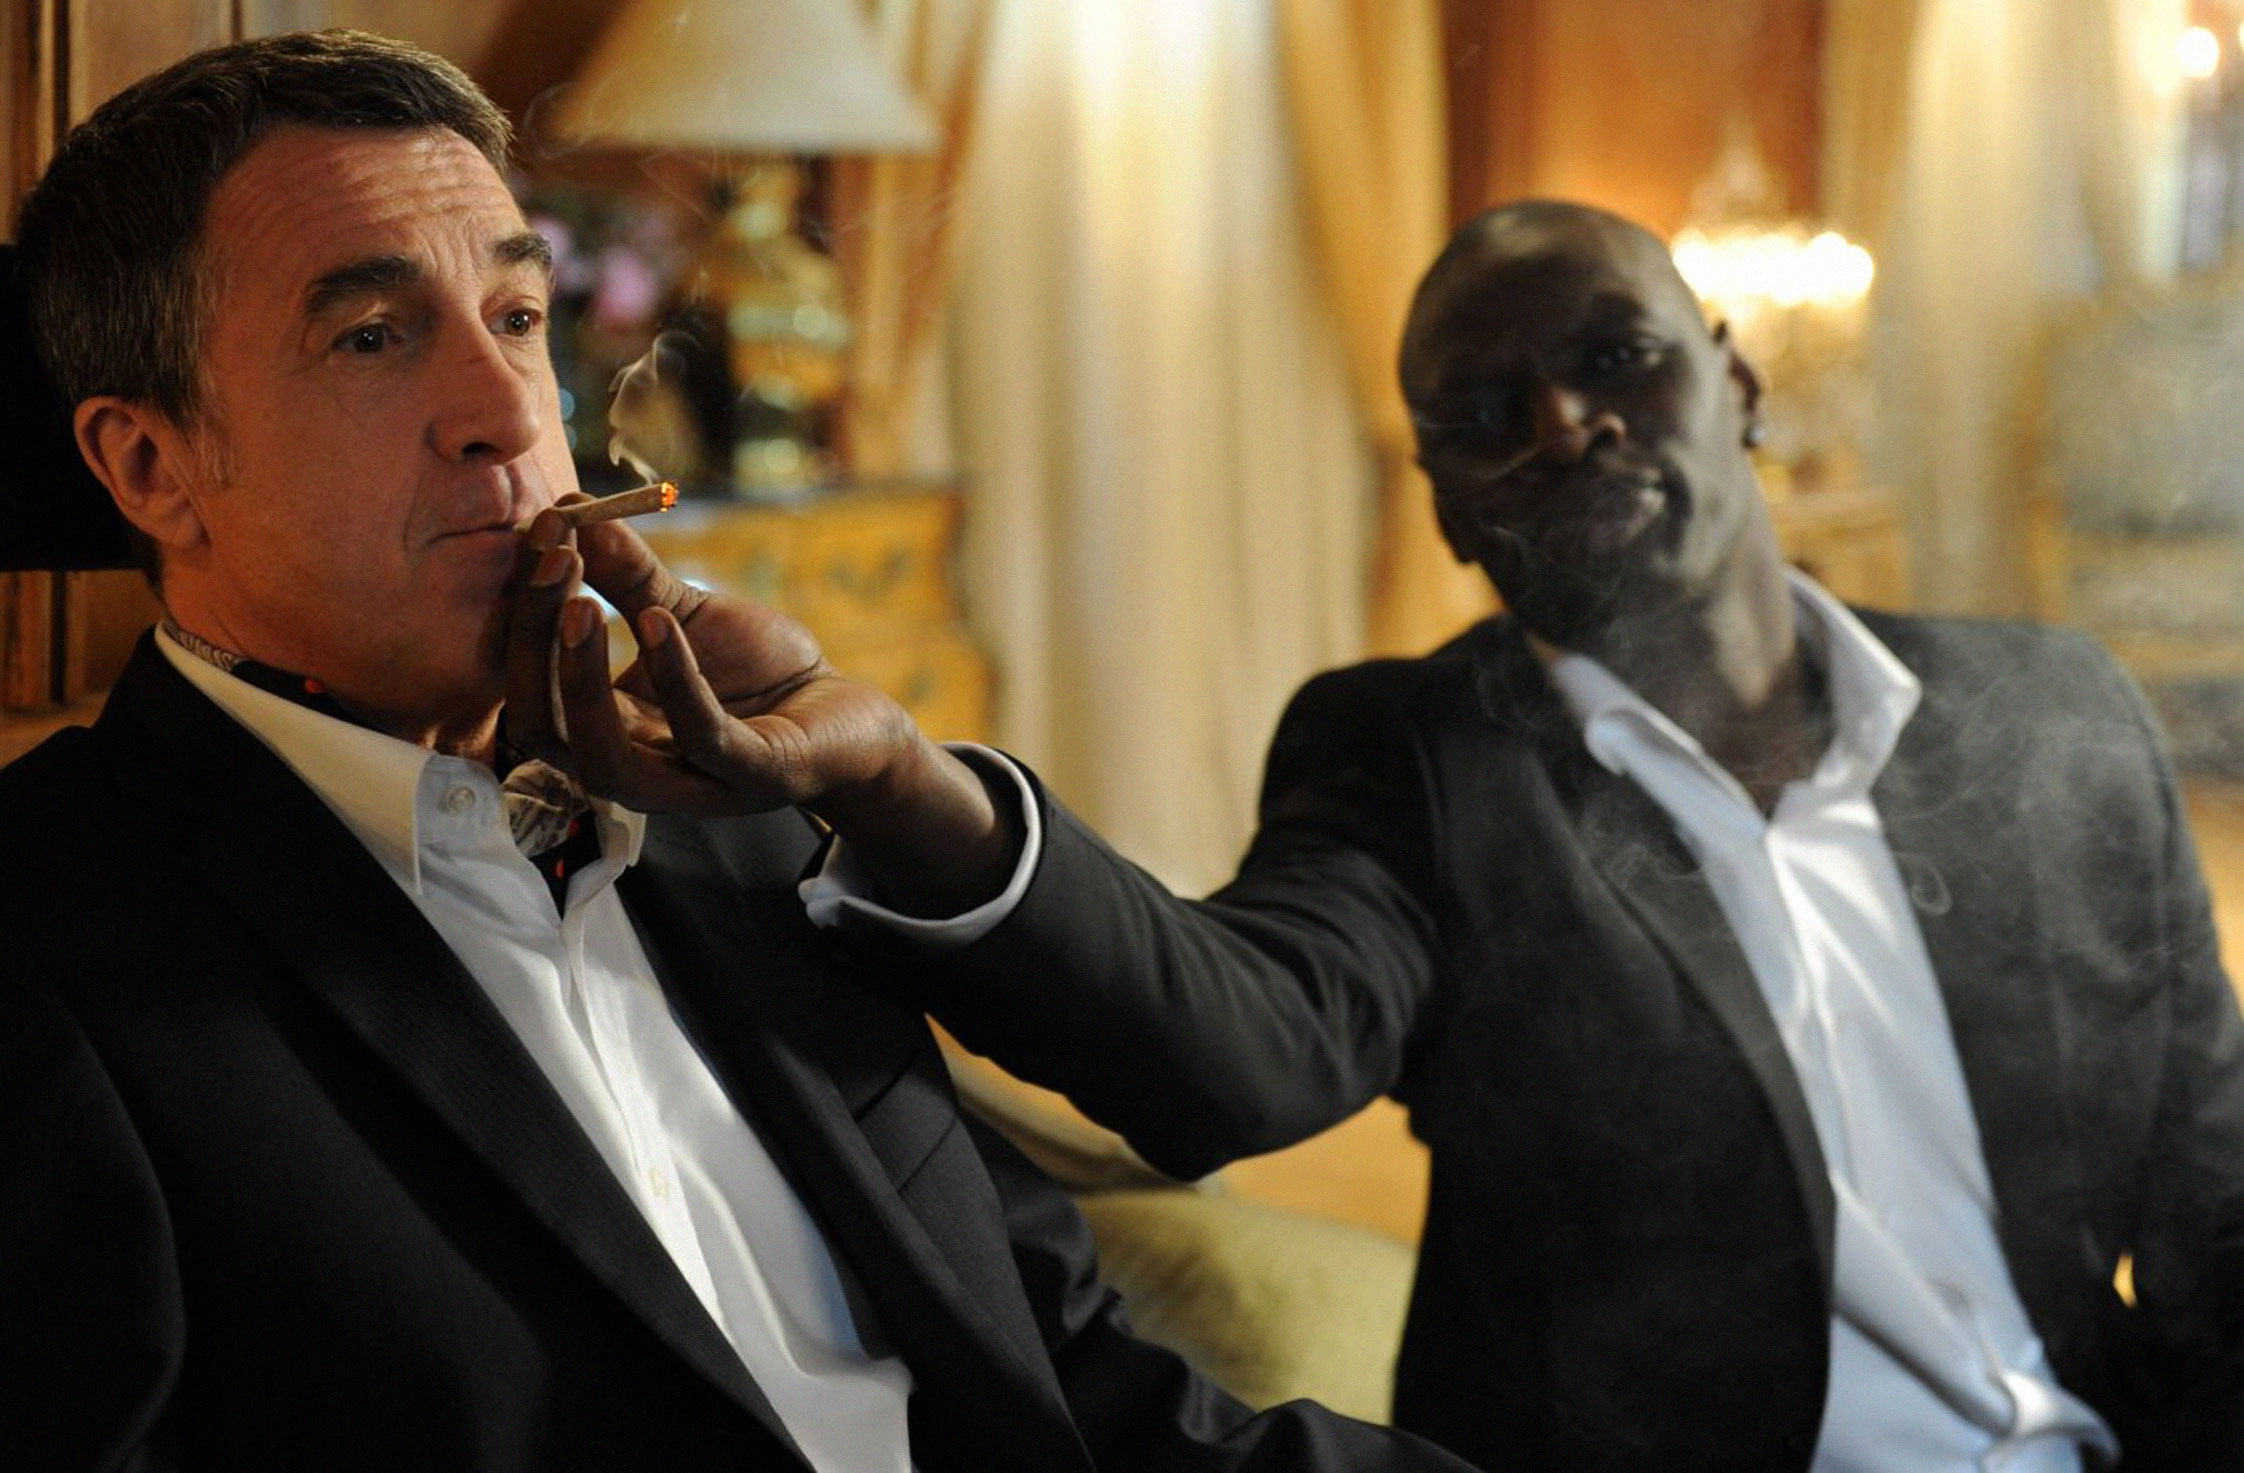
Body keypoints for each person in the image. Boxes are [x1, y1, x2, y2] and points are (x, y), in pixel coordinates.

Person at [0, 30, 1479, 1473]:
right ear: (151, 465)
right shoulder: (51, 957)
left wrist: (897, 776)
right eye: (372, 336)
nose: (512, 412)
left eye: (517, 317)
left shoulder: (726, 807)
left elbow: (1064, 1373)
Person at [870, 203, 2244, 1470]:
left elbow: (2214, 1194)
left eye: (1617, 357)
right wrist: (923, 803)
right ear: (1448, 507)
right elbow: (1244, 1048)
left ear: (1739, 383)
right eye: (1484, 412)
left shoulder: (2051, 714)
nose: (1565, 424)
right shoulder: (1418, 761)